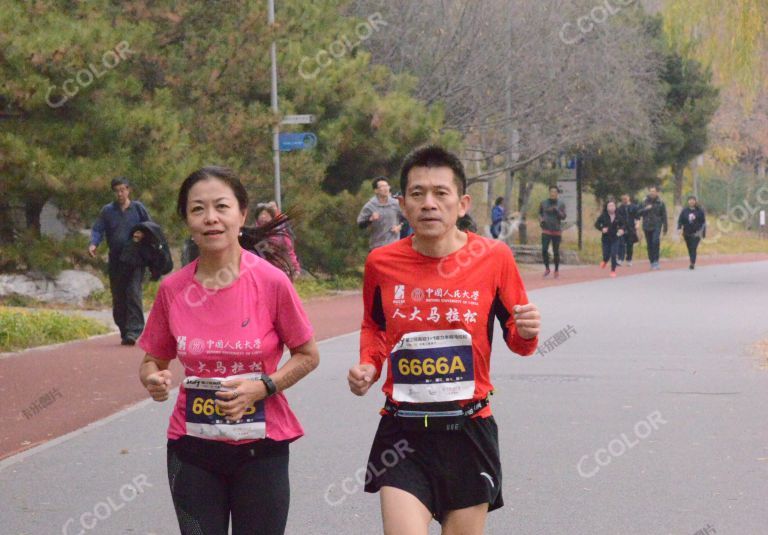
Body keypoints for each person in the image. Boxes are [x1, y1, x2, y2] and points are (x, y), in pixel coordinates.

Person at [347, 146, 541, 535]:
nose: (429, 203)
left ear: (462, 202)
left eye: (441, 193)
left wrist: (528, 330)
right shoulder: (381, 263)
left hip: (468, 429)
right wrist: (370, 364)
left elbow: (519, 342)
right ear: (402, 204)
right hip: (403, 432)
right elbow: (375, 326)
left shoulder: (494, 258)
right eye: (417, 194)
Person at [138, 165, 319, 535]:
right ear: (186, 219)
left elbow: (308, 354)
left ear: (241, 213)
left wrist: (264, 386)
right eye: (197, 209)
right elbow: (153, 359)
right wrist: (152, 378)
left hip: (261, 449)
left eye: (221, 206)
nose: (211, 219)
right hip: (192, 450)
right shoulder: (173, 290)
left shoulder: (271, 282)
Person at [88, 177, 152, 345]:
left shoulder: (138, 209)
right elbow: (98, 229)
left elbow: (151, 227)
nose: (120, 194)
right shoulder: (107, 211)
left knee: (133, 293)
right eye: (117, 191)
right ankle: (124, 329)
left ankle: (135, 330)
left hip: (135, 259)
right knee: (119, 295)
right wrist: (94, 244)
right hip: (116, 259)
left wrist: (143, 234)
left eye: (123, 190)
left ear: (128, 190)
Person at [253, 203, 301, 278]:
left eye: (266, 214)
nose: (263, 217)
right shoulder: (252, 234)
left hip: (279, 271)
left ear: (272, 217)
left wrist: (296, 268)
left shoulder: (280, 234)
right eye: (261, 214)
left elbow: (289, 251)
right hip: (259, 272)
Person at [357, 176, 403, 250]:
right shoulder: (370, 206)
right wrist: (370, 219)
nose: (385, 188)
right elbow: (360, 225)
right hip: (377, 246)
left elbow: (408, 218)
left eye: (387, 186)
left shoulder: (396, 203)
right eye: (382, 186)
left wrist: (400, 226)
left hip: (394, 245)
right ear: (376, 190)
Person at [637, 186, 668, 270]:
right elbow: (638, 213)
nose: (652, 193)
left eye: (653, 191)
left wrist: (665, 228)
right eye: (650, 191)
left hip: (657, 225)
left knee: (655, 241)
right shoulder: (644, 201)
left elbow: (664, 216)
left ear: (657, 192)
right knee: (649, 244)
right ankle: (651, 261)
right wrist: (645, 209)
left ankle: (656, 261)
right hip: (646, 226)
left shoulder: (660, 202)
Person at [539, 185, 566, 278]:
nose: (553, 193)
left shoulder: (561, 204)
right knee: (544, 250)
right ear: (549, 192)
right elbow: (540, 213)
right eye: (551, 192)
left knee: (556, 251)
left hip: (556, 230)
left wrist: (557, 210)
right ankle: (547, 268)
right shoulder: (543, 203)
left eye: (555, 192)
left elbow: (563, 216)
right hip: (546, 229)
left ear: (557, 193)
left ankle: (556, 270)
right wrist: (541, 220)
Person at [595, 200, 626, 278]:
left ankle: (613, 270)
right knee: (606, 254)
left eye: (613, 206)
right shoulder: (603, 216)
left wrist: (622, 230)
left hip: (615, 238)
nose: (611, 207)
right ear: (607, 207)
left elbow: (624, 225)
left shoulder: (618, 216)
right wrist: (602, 228)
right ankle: (605, 261)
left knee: (613, 254)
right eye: (609, 206)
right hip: (606, 238)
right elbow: (596, 224)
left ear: (615, 207)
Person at [678, 195, 706, 270]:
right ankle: (692, 259)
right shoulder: (684, 211)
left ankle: (692, 263)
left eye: (693, 200)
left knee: (693, 247)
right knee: (689, 248)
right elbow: (680, 220)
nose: (691, 201)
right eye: (690, 200)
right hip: (687, 232)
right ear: (688, 201)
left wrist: (703, 233)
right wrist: (679, 228)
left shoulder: (700, 211)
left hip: (697, 233)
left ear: (695, 201)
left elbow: (703, 222)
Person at [616, 194, 639, 266]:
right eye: (623, 199)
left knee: (630, 244)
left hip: (631, 228)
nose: (624, 200)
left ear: (629, 198)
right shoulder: (620, 208)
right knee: (621, 244)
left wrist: (637, 224)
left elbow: (637, 217)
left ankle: (629, 259)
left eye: (626, 199)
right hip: (622, 228)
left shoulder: (634, 207)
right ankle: (620, 259)